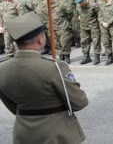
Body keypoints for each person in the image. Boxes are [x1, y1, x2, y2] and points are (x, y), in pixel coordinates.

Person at [0, 12, 88, 143]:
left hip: (23, 133)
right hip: (56, 134)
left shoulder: (2, 69)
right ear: (40, 39)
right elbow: (79, 101)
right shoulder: (55, 67)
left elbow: (13, 108)